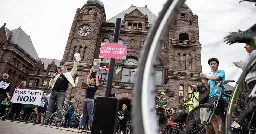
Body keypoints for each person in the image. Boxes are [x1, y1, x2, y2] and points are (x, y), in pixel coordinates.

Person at [41, 53, 80, 127]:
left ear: (65, 69)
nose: (60, 68)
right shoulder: (57, 75)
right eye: (60, 67)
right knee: (49, 107)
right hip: (53, 92)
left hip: (61, 93)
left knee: (59, 108)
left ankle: (58, 121)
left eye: (62, 67)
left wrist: (76, 61)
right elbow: (50, 84)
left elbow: (74, 69)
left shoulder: (68, 74)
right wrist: (52, 80)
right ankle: (46, 120)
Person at [200, 58, 225, 134]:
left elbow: (216, 78)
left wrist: (206, 76)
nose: (212, 65)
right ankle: (217, 132)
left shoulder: (221, 72)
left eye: (214, 63)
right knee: (213, 118)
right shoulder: (210, 75)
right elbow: (208, 88)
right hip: (211, 97)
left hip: (218, 96)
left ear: (217, 64)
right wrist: (204, 79)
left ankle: (220, 132)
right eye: (211, 64)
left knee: (218, 116)